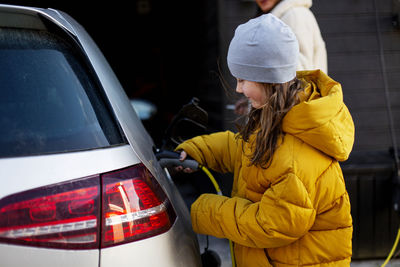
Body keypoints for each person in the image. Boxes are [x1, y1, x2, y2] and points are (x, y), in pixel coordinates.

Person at [175, 14, 354, 267]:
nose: (238, 89)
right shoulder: (280, 120)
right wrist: (198, 151)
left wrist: (207, 210)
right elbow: (245, 150)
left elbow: (272, 224)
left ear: (269, 80)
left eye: (243, 80)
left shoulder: (296, 152)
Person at [235, 0, 327, 114]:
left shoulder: (294, 15)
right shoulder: (276, 17)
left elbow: (300, 74)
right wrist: (252, 100)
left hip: (293, 116)